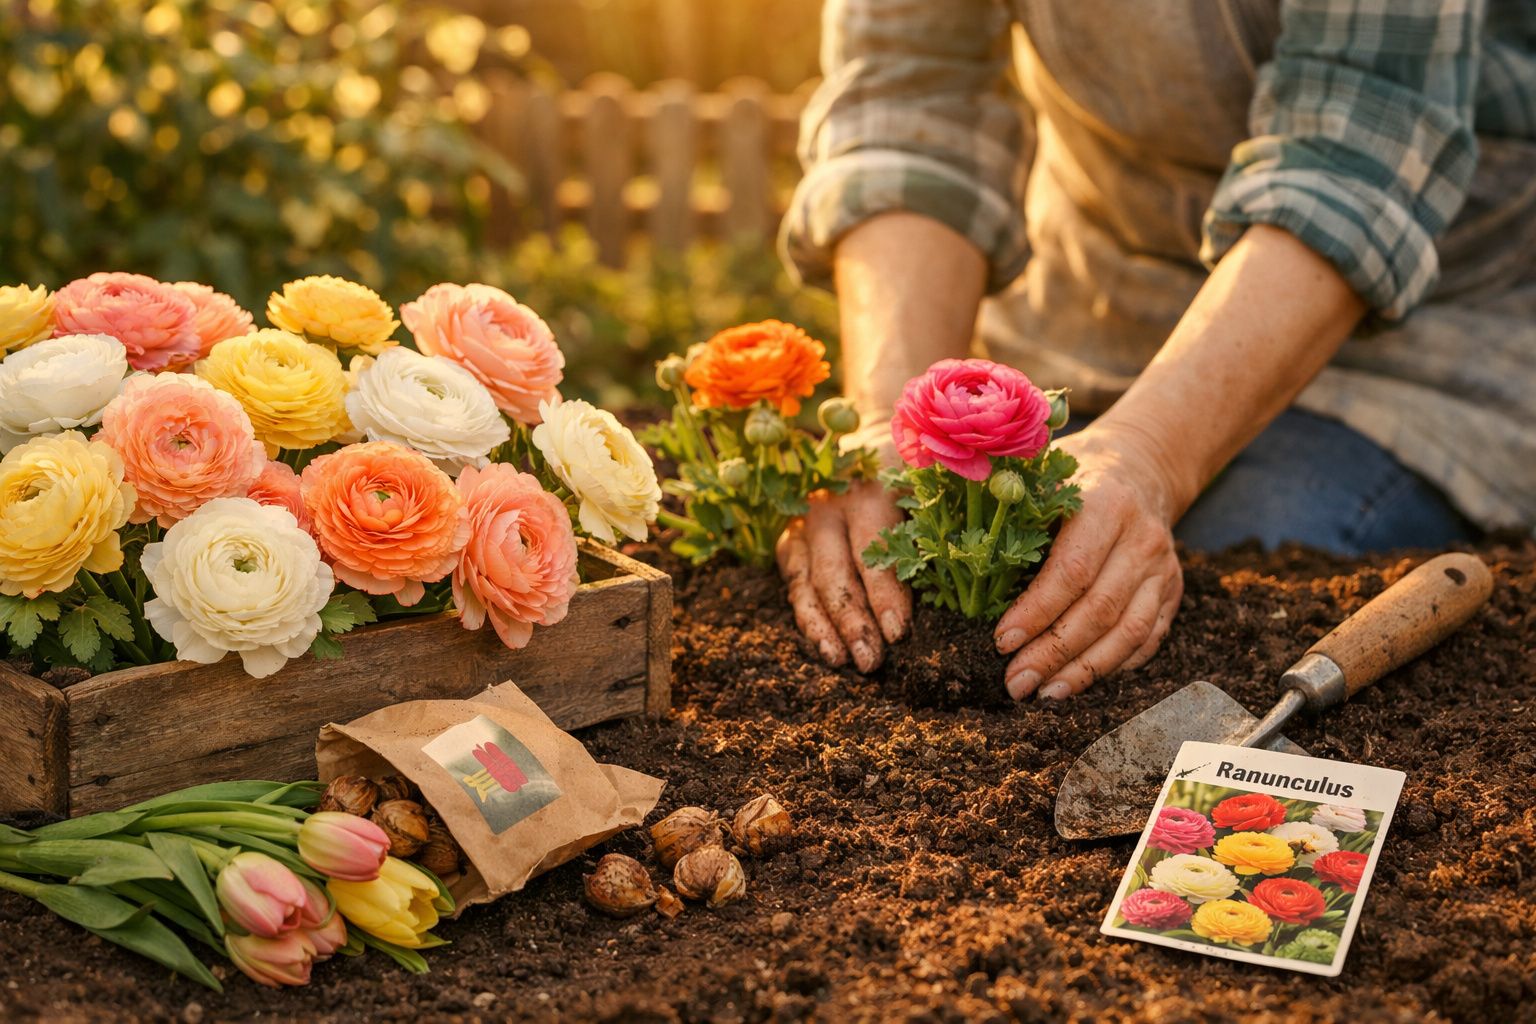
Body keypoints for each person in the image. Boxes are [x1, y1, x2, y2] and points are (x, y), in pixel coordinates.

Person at [773, 0, 1536, 699]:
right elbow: (913, 100)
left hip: (1420, 332)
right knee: (1038, 561)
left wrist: (1149, 453)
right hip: (1098, 288)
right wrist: (890, 424)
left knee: (1226, 578)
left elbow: (1352, 162)